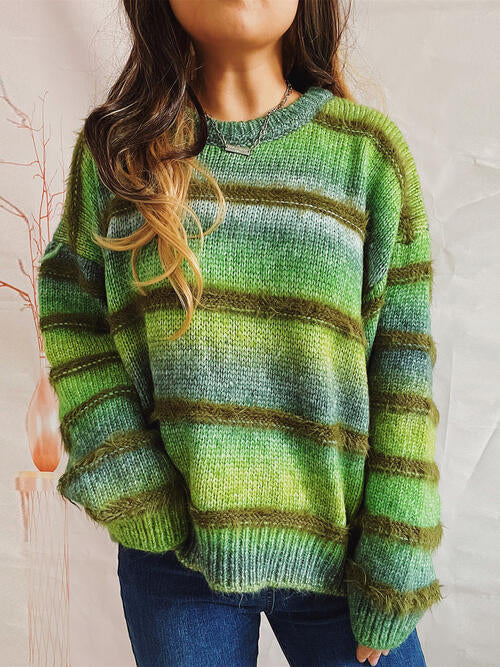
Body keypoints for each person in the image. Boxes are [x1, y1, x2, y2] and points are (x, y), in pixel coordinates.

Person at [37, 0, 443, 665]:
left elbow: (403, 368)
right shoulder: (119, 154)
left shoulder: (366, 155)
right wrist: (130, 477)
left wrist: (397, 551)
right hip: (178, 561)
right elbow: (74, 314)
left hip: (345, 555)